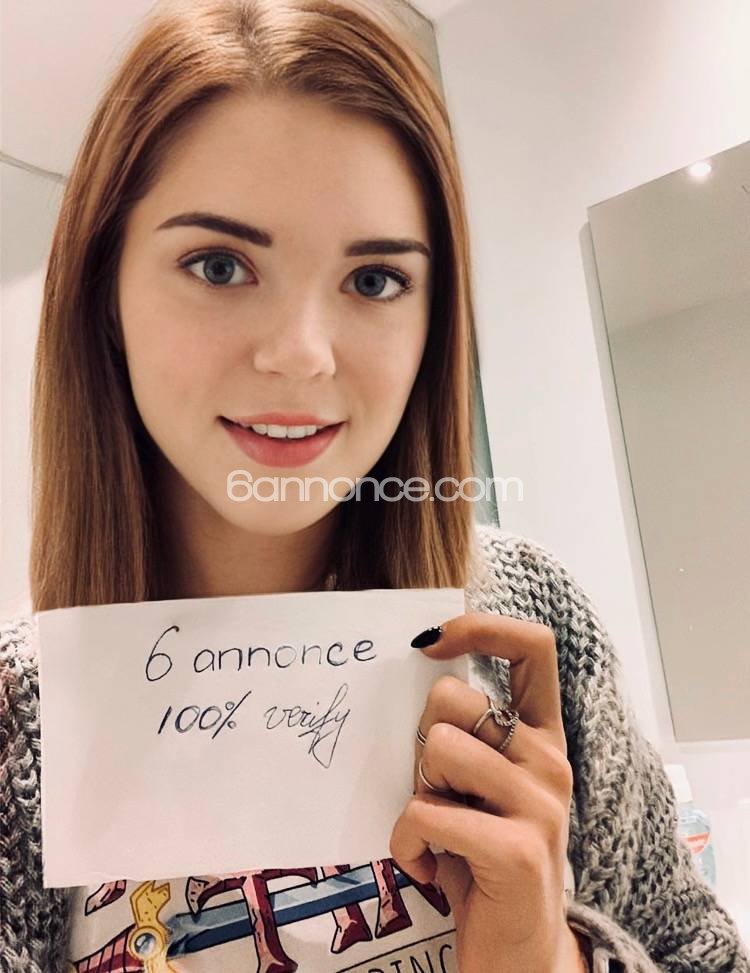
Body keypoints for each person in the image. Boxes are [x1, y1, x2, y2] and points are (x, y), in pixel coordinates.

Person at [0, 0, 747, 970]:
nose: (302, 354)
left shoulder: (529, 619)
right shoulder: (21, 712)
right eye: (219, 264)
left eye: (375, 280)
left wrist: (549, 952)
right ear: (105, 291)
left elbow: (702, 950)